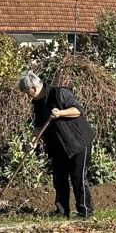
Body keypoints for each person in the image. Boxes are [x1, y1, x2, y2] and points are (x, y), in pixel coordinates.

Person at [18, 70, 95, 219]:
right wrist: (32, 142)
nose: (26, 96)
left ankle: (85, 212)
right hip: (58, 146)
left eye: (26, 92)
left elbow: (78, 110)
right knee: (59, 179)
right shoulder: (38, 104)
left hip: (78, 141)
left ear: (33, 88)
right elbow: (38, 126)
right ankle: (61, 212)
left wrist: (60, 113)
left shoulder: (59, 93)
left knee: (78, 178)